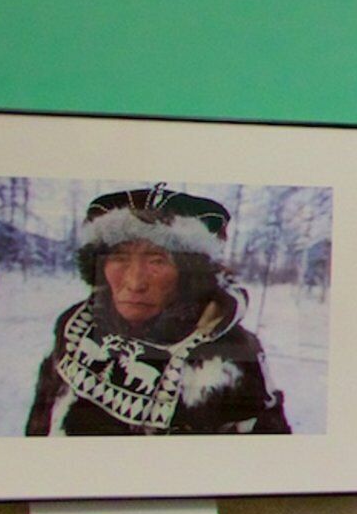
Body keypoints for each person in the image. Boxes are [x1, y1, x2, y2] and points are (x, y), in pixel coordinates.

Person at [25, 186, 293, 436]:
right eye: (119, 257)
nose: (135, 283)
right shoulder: (76, 329)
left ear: (190, 274)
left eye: (157, 260)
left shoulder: (234, 353)